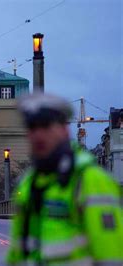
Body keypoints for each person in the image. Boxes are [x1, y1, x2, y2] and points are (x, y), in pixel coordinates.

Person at [7, 93, 123, 265]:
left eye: (46, 126)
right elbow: (18, 252)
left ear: (64, 129)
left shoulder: (91, 180)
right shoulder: (28, 183)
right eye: (32, 127)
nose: (38, 134)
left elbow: (111, 255)